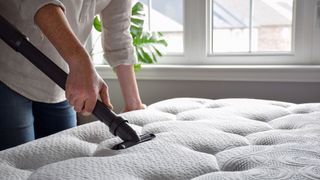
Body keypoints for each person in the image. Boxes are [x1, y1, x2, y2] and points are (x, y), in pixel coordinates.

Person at [0, 0, 145, 151]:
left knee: (64, 163)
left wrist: (133, 103)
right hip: (10, 76)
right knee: (17, 163)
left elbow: (118, 35)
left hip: (61, 84)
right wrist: (81, 62)